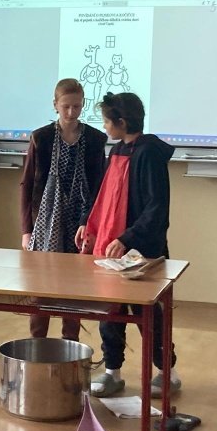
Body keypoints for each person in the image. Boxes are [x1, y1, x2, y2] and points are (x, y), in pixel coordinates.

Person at [77, 91, 179, 399]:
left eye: (107, 121)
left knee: (151, 316)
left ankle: (167, 372)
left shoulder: (149, 154)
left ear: (121, 122)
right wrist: (88, 224)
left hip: (143, 250)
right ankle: (112, 372)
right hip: (113, 246)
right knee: (111, 312)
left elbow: (157, 208)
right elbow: (103, 195)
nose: (104, 127)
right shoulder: (118, 150)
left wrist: (127, 238)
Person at [20, 78, 107, 341]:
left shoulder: (95, 139)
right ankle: (37, 344)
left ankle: (71, 345)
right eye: (66, 106)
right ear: (55, 104)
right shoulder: (41, 138)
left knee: (74, 288)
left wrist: (91, 225)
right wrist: (26, 230)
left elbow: (99, 186)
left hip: (80, 222)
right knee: (41, 287)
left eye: (77, 106)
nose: (71, 112)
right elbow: (27, 184)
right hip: (45, 222)